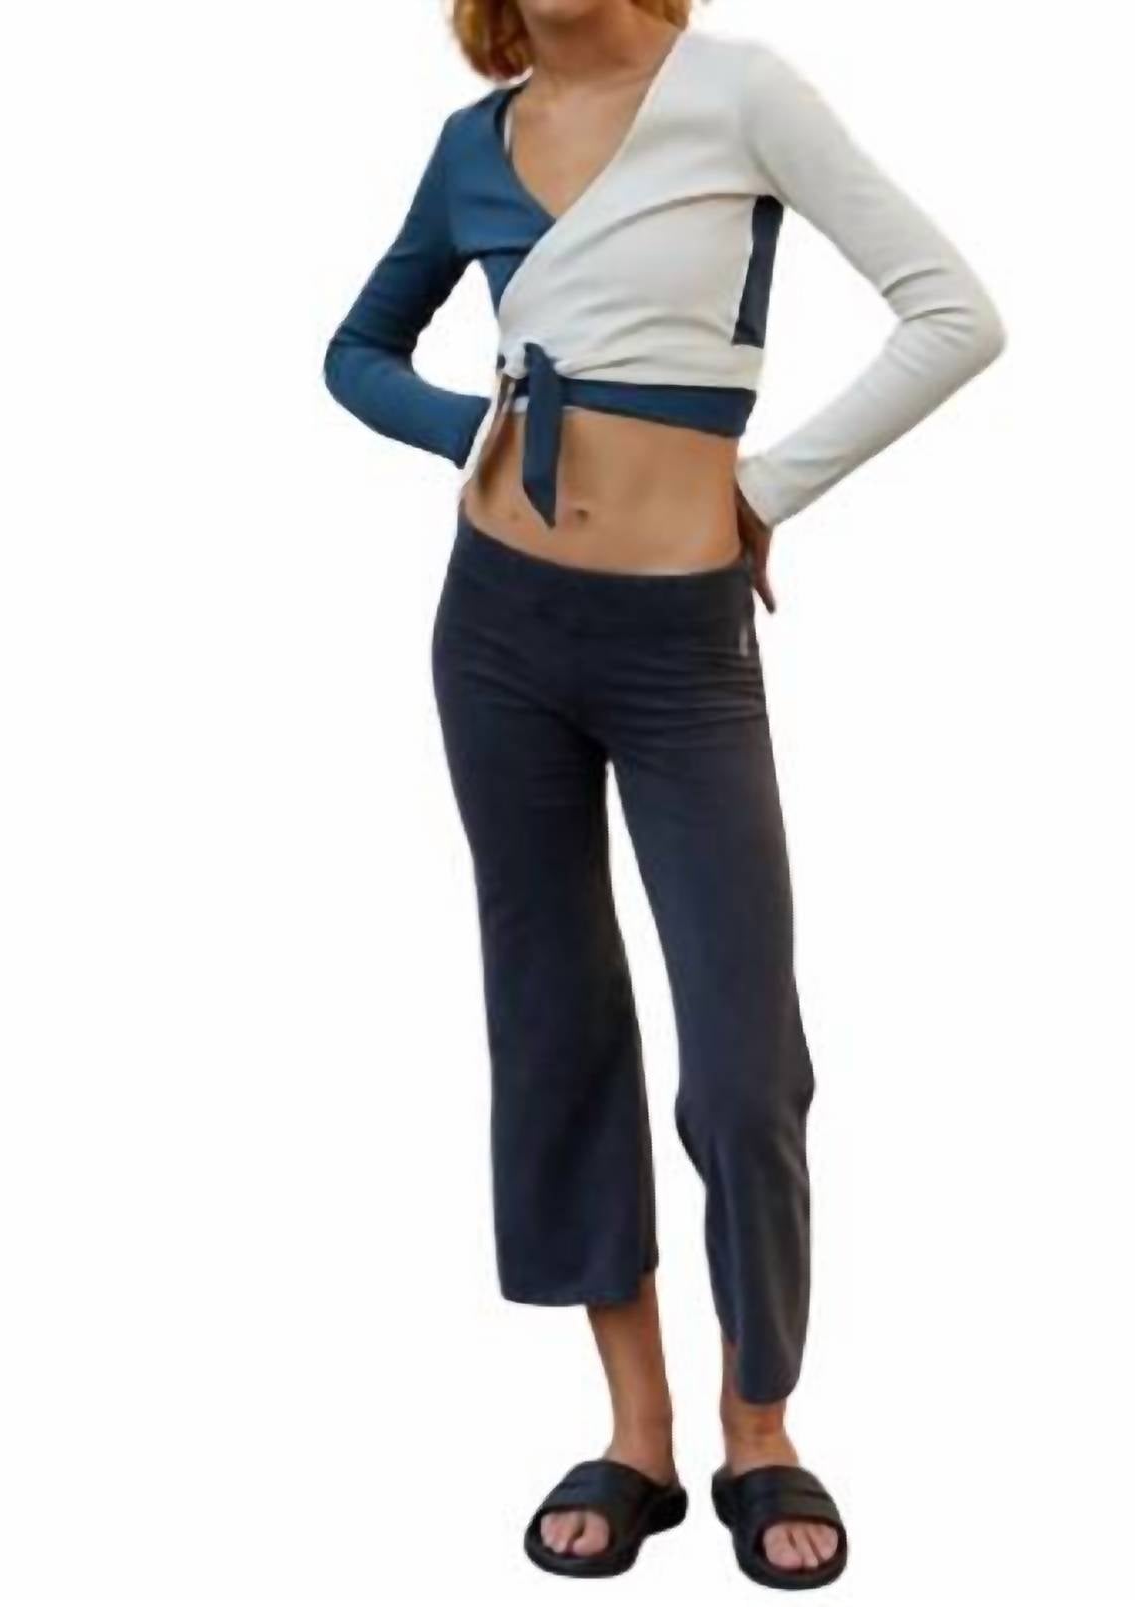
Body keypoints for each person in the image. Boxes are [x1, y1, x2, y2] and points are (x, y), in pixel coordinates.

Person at [322, 0, 1004, 1587]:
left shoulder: (738, 93)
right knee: (555, 1023)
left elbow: (954, 315)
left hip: (682, 642)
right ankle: (639, 1436)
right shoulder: (472, 145)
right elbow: (355, 353)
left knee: (745, 1059)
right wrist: (473, 429)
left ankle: (759, 1427)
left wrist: (763, 490)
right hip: (498, 633)